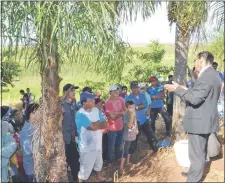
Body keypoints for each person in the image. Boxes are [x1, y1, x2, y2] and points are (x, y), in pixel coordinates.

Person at [165, 51, 221, 182]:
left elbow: (195, 99)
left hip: (200, 122)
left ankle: (193, 179)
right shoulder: (212, 74)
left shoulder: (207, 76)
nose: (194, 63)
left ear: (201, 60)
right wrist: (182, 88)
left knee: (197, 154)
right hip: (204, 120)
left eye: (195, 60)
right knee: (199, 151)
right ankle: (194, 172)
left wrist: (176, 90)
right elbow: (199, 94)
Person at [75, 91, 112, 182]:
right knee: (85, 168)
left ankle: (99, 177)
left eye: (93, 99)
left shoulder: (96, 110)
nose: (93, 101)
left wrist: (96, 125)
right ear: (84, 102)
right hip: (87, 147)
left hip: (98, 143)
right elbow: (92, 127)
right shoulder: (80, 114)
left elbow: (105, 123)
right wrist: (97, 125)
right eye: (90, 100)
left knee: (99, 163)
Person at [126, 81, 158, 157]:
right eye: (133, 88)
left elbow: (145, 105)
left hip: (144, 119)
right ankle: (128, 158)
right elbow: (129, 109)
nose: (135, 89)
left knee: (151, 136)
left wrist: (136, 107)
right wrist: (138, 106)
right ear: (131, 88)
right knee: (133, 140)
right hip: (134, 121)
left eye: (136, 87)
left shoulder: (143, 95)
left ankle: (156, 151)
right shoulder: (128, 98)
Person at [61, 83, 80, 182]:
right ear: (65, 93)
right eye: (71, 90)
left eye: (74, 90)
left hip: (73, 136)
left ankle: (76, 178)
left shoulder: (74, 103)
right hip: (65, 138)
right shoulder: (61, 105)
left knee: (75, 160)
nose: (74, 92)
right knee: (68, 160)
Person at [104, 84, 126, 166]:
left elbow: (125, 110)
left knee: (119, 144)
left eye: (117, 90)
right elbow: (112, 117)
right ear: (110, 92)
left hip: (120, 126)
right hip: (111, 128)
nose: (117, 92)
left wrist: (117, 113)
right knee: (111, 146)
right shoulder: (107, 102)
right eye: (115, 91)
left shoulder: (121, 99)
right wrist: (121, 113)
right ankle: (109, 161)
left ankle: (118, 158)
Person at [20, 103, 39, 182]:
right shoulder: (26, 130)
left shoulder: (36, 126)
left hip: (38, 166)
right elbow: (28, 150)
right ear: (30, 114)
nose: (39, 114)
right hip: (31, 168)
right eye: (35, 112)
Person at [120, 100, 138, 175]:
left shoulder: (134, 113)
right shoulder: (126, 115)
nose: (132, 109)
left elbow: (136, 122)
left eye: (133, 107)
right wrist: (132, 116)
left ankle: (127, 162)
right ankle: (121, 167)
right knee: (124, 151)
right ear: (127, 108)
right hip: (126, 137)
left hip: (132, 135)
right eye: (130, 107)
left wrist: (137, 129)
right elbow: (129, 126)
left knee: (129, 149)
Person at [95, 98, 108, 162]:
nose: (100, 106)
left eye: (101, 105)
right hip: (99, 133)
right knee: (100, 147)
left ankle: (104, 159)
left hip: (105, 132)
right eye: (98, 105)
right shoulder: (94, 113)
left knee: (105, 146)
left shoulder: (102, 111)